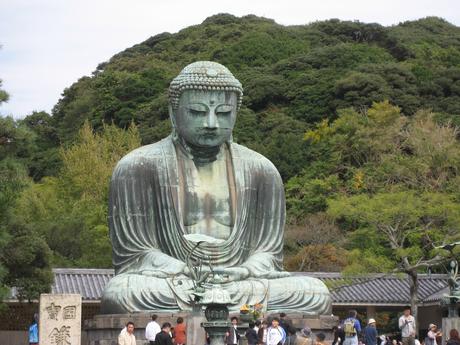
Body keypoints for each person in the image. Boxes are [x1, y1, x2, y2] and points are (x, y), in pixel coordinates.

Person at [100, 61, 331, 315]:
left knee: (314, 293)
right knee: (122, 292)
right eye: (198, 112)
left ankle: (217, 302)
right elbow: (136, 254)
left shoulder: (261, 170)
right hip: (175, 280)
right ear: (173, 112)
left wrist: (244, 270)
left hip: (241, 282)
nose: (211, 123)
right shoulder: (137, 167)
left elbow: (268, 254)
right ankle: (223, 304)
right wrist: (185, 270)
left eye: (222, 113)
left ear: (235, 114)